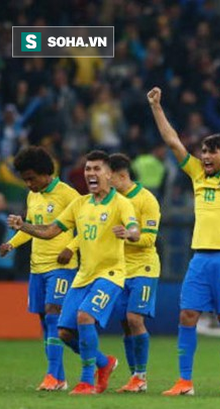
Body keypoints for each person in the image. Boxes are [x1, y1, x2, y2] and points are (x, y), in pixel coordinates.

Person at [6, 150, 140, 395]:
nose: (91, 173)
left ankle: (86, 381)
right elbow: (48, 231)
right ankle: (104, 363)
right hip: (83, 276)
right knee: (64, 332)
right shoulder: (80, 204)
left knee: (84, 317)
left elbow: (134, 229)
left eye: (97, 169)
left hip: (110, 274)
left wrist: (129, 233)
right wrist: (22, 226)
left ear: (110, 175)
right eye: (88, 169)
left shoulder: (122, 203)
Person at [148, 87, 220, 397]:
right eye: (203, 152)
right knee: (187, 315)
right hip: (200, 259)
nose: (204, 157)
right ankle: (185, 382)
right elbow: (172, 141)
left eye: (210, 152)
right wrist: (156, 107)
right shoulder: (196, 175)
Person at [0, 147, 80, 391]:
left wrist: (72, 247)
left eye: (31, 178)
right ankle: (87, 364)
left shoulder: (69, 195)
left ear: (47, 173)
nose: (28, 183)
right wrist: (11, 243)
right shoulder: (33, 196)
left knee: (53, 311)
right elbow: (30, 229)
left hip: (61, 266)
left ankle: (51, 376)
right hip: (38, 267)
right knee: (46, 320)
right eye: (25, 179)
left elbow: (89, 229)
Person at [108, 153, 161, 393]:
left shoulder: (146, 199)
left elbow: (150, 238)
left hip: (144, 267)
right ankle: (134, 378)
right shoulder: (110, 201)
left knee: (134, 319)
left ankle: (141, 376)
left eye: (109, 178)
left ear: (121, 176)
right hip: (119, 269)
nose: (106, 183)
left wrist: (130, 235)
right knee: (125, 324)